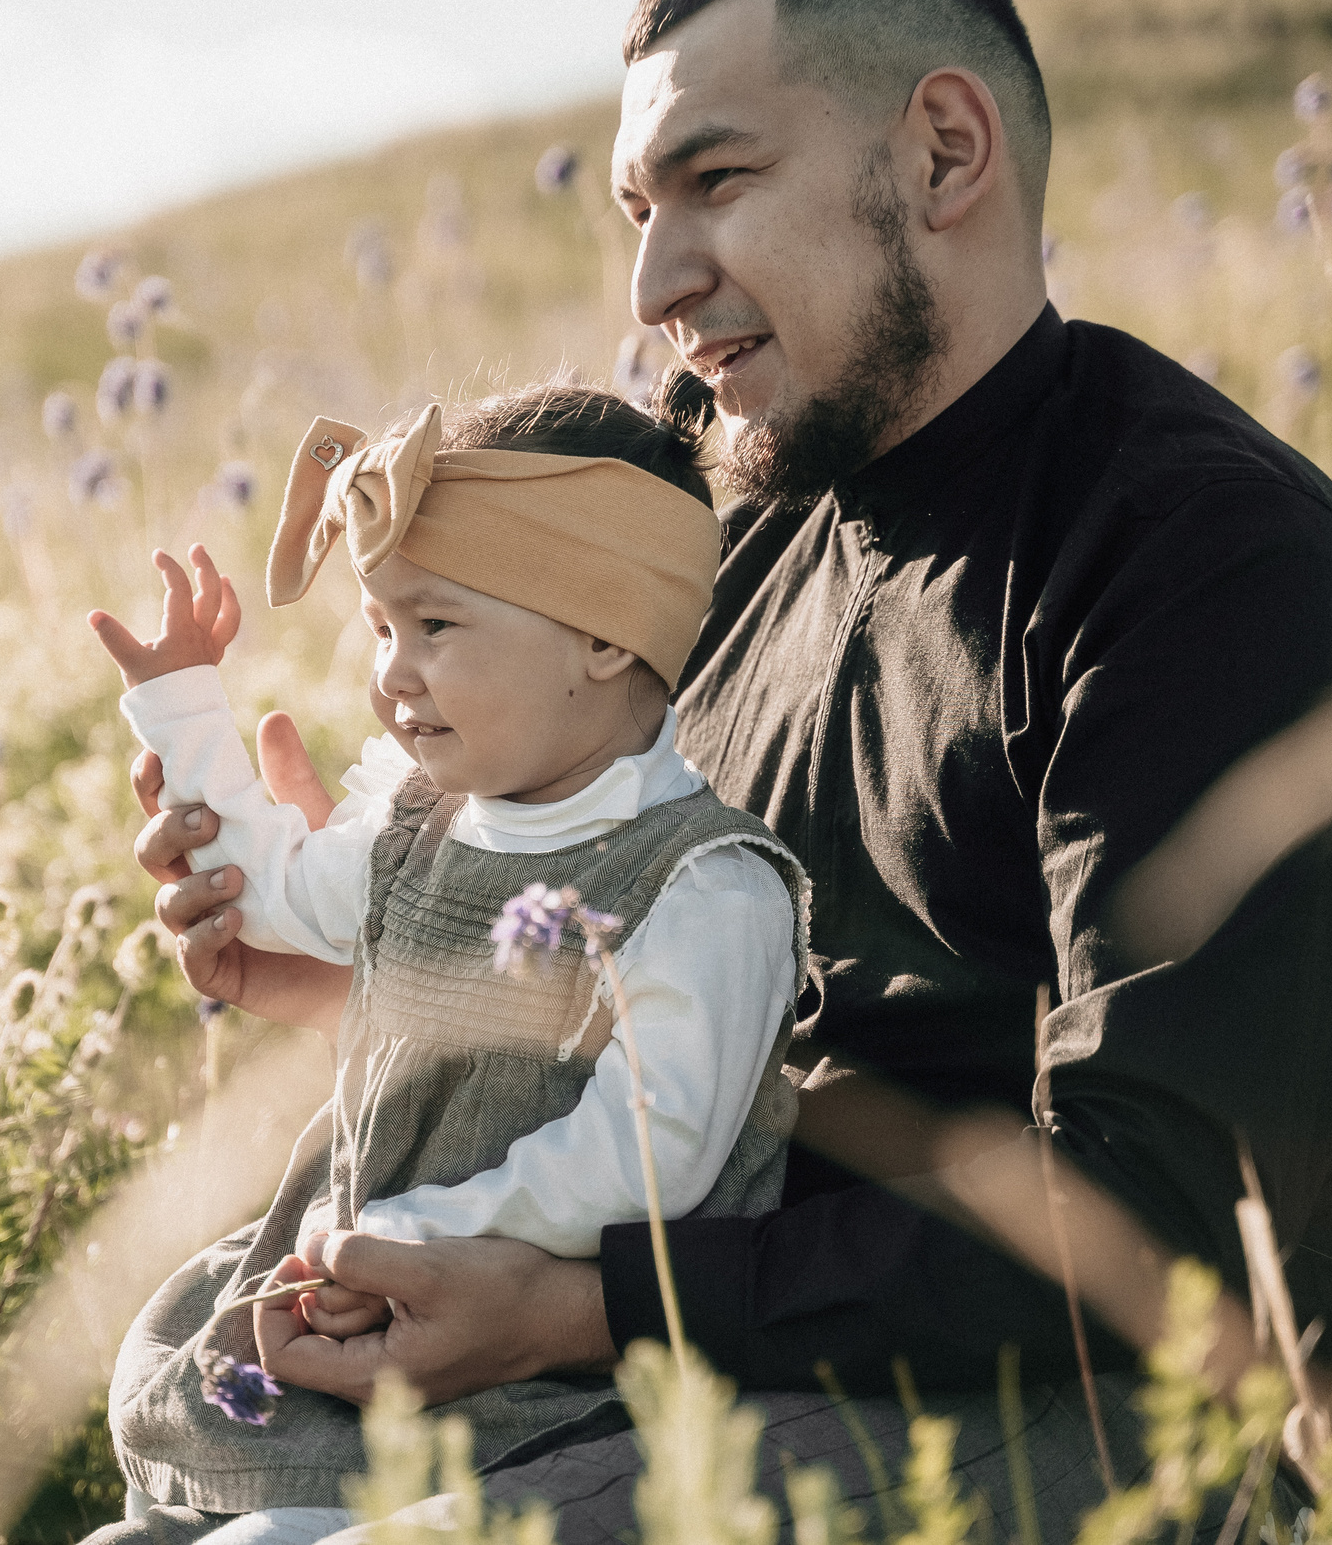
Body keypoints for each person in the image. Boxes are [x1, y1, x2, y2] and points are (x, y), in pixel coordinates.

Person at [110, 0, 1332, 1545]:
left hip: (1114, 1420)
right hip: (708, 1338)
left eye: (716, 183)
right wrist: (385, 964)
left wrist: (588, 1307)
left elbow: (1156, 1227)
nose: (658, 278)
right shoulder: (718, 530)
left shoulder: (1199, 562)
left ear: (945, 154)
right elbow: (686, 1011)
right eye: (633, 207)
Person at [87, 387, 810, 1545]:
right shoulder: (415, 818)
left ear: (603, 636)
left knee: (275, 1535)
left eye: (434, 627)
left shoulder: (702, 885)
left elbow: (647, 1154)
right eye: (379, 627)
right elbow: (267, 894)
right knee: (175, 1472)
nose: (390, 674)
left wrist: (424, 1235)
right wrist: (183, 713)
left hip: (537, 1378)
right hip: (356, 1308)